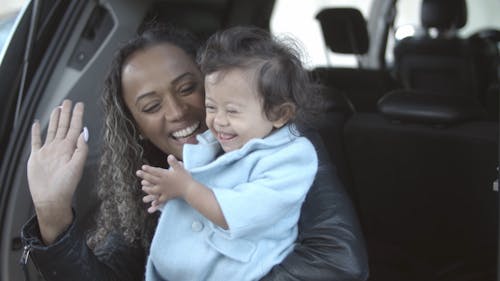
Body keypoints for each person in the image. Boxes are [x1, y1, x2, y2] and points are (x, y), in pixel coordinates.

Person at [21, 23, 369, 281]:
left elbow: (338, 261)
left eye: (189, 88)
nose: (176, 112)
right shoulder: (147, 177)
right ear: (136, 126)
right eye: (151, 105)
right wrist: (52, 213)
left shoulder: (285, 145)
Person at [138, 26, 320, 281]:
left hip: (235, 271)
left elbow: (239, 212)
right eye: (211, 107)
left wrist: (187, 190)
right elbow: (199, 190)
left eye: (232, 111)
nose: (218, 121)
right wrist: (170, 195)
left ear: (279, 114)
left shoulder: (293, 158)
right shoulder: (214, 143)